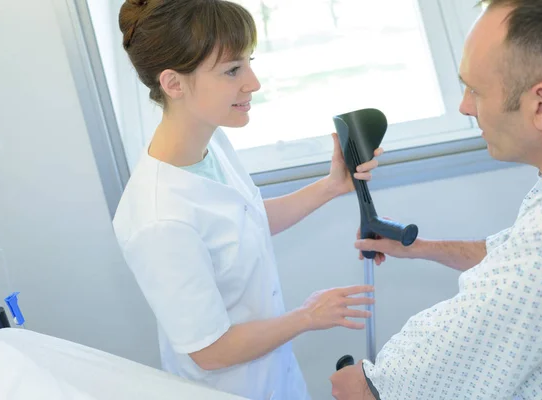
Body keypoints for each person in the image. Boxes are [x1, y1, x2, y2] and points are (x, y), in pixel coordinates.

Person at [112, 1, 383, 400]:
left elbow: (245, 221)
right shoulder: (159, 219)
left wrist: (330, 186)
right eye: (232, 70)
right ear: (173, 84)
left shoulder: (210, 144)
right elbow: (209, 350)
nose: (253, 82)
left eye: (248, 62)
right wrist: (307, 317)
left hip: (274, 378)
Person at [330, 0, 542, 399]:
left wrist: (365, 385)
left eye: (476, 90)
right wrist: (419, 248)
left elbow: (413, 375)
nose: (465, 107)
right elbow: (511, 255)